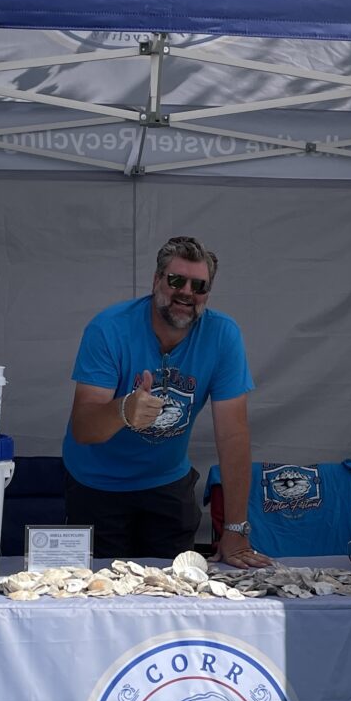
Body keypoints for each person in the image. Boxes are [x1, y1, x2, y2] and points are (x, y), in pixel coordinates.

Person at [63, 236, 271, 567]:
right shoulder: (109, 329)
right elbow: (84, 429)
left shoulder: (222, 335)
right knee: (97, 596)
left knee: (170, 593)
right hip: (97, 486)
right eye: (176, 280)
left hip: (166, 483)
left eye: (199, 286)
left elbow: (233, 437)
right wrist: (124, 410)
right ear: (156, 281)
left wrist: (235, 529)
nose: (187, 292)